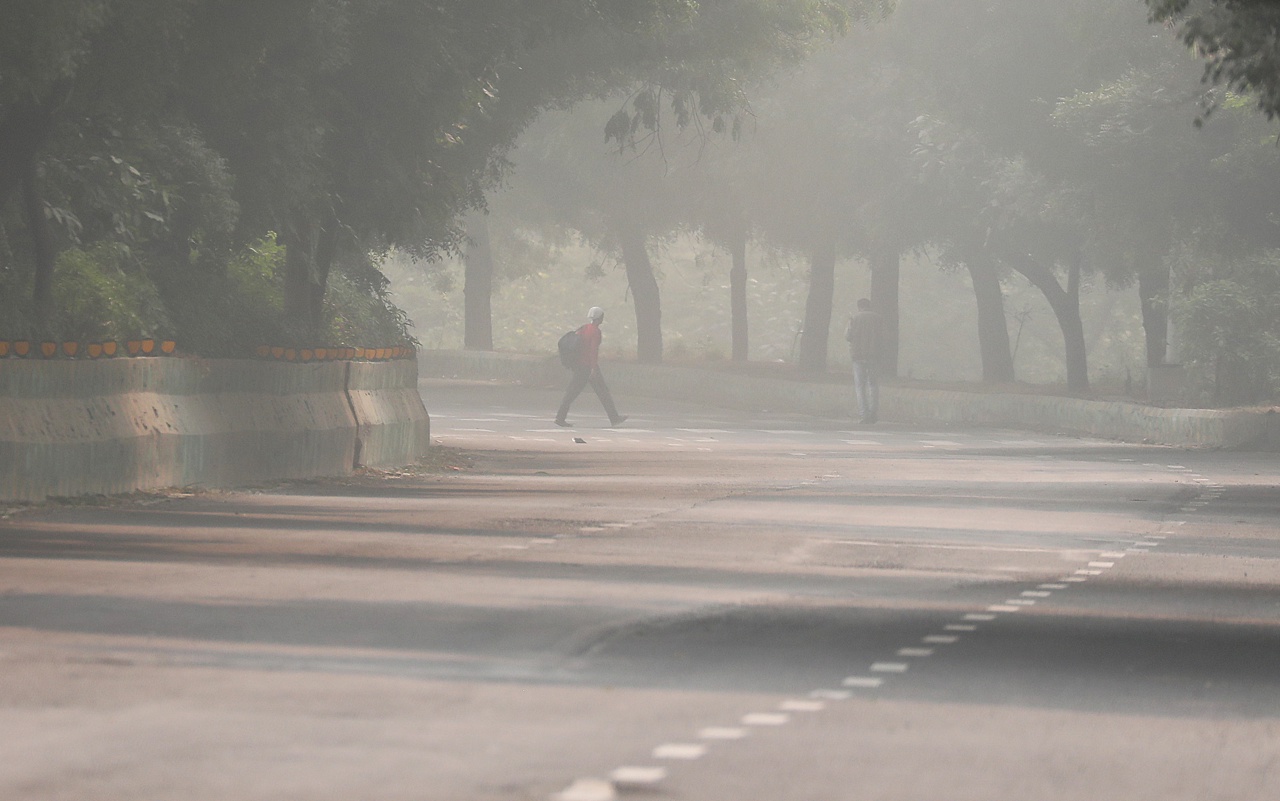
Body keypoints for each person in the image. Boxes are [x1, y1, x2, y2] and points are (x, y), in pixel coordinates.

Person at [556, 306, 627, 428]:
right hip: (588, 367)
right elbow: (593, 351)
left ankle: (560, 417)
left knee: (573, 392)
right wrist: (594, 368)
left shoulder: (583, 328)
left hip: (579, 365)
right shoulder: (595, 331)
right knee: (602, 392)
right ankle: (614, 418)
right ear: (600, 318)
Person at [845, 297, 885, 424]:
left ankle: (864, 414)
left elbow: (847, 336)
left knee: (860, 386)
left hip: (858, 356)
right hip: (874, 355)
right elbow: (883, 336)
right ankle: (874, 413)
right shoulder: (878, 319)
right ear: (869, 306)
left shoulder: (854, 319)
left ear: (859, 307)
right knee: (873, 384)